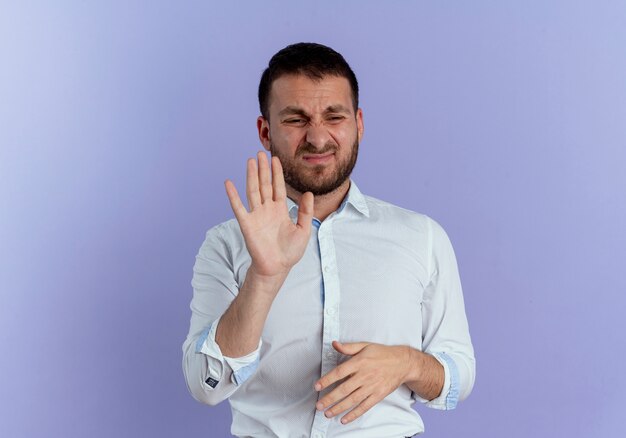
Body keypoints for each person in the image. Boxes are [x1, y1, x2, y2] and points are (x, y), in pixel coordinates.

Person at [182, 42, 475, 437]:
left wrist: (407, 363)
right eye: (296, 120)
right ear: (265, 132)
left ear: (359, 123)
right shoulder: (225, 245)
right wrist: (264, 277)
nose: (318, 138)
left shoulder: (421, 236)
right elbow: (205, 385)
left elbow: (459, 374)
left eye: (333, 116)